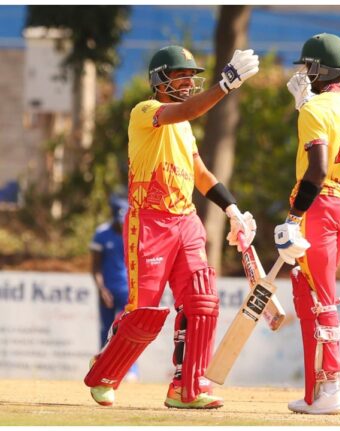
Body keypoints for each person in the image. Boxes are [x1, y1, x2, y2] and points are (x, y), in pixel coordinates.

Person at [84, 45, 259, 409]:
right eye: (180, 75)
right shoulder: (146, 112)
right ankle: (105, 371)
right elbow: (187, 109)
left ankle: (187, 387)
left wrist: (233, 209)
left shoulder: (185, 128)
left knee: (203, 301)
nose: (187, 82)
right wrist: (225, 85)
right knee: (143, 312)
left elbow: (201, 174)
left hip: (186, 221)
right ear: (159, 79)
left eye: (191, 77)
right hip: (149, 221)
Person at [274, 33, 340, 414]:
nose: (304, 73)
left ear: (321, 68)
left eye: (309, 66)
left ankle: (332, 387)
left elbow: (318, 169)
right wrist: (306, 106)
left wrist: (294, 216)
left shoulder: (315, 110)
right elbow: (335, 124)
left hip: (322, 205)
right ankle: (316, 391)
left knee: (320, 295)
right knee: (306, 287)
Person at [89, 193, 138, 381]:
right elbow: (95, 267)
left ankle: (131, 370)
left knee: (129, 332)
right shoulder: (102, 234)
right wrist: (101, 289)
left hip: (129, 292)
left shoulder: (133, 232)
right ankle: (104, 370)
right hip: (107, 292)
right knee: (106, 331)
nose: (121, 225)